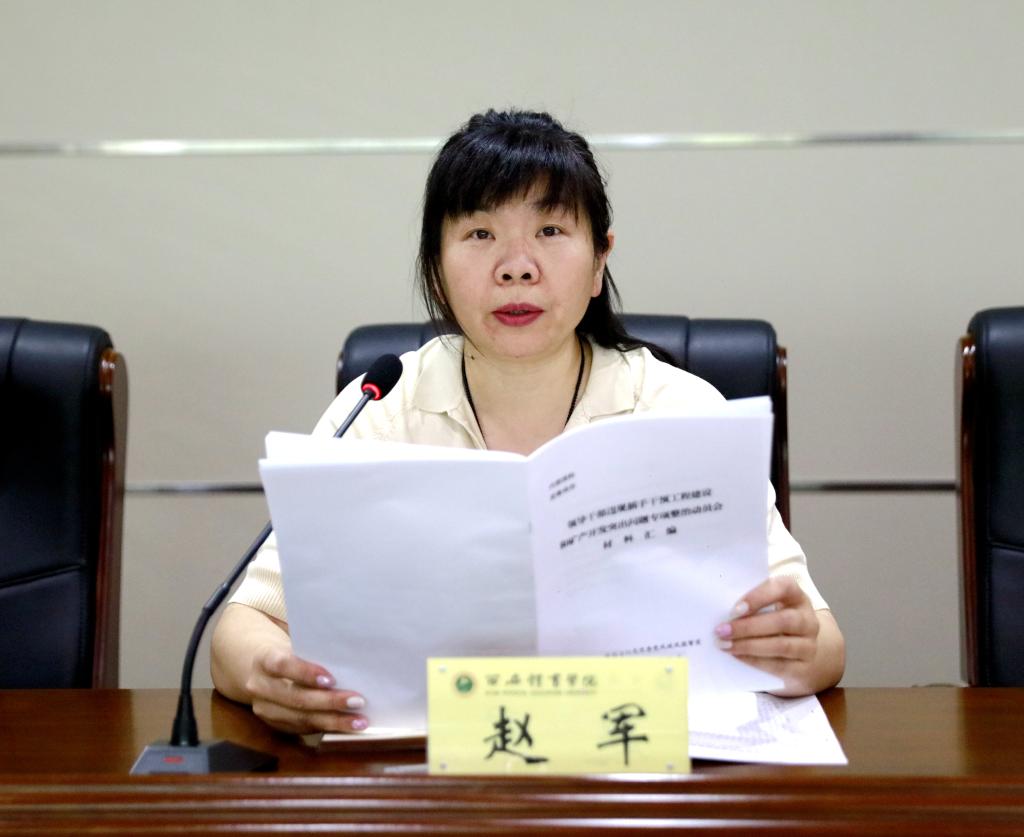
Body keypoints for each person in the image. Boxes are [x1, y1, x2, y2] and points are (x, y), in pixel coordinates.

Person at [211, 109, 845, 734]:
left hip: (634, 763)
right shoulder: (380, 408)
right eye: (480, 234)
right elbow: (241, 629)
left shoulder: (682, 410)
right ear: (436, 266)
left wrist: (790, 647)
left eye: (550, 230)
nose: (517, 266)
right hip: (431, 771)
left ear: (599, 261)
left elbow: (823, 644)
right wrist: (270, 672)